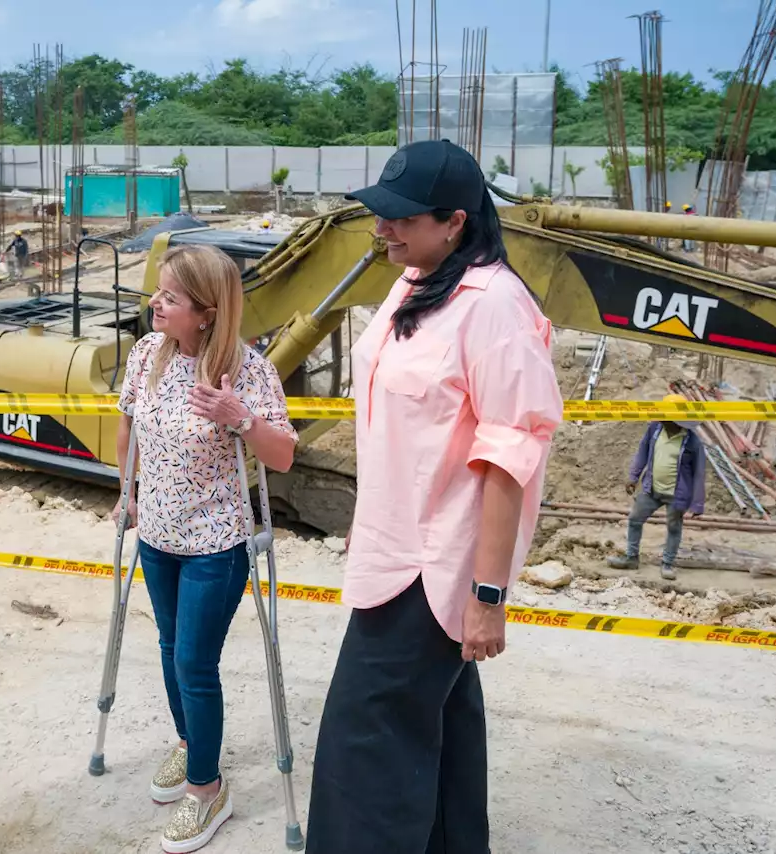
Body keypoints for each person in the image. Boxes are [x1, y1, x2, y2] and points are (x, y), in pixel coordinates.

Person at [305, 139, 564, 853]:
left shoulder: (496, 310)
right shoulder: (417, 282)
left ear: (454, 220)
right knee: (441, 729)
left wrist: (487, 595)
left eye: (400, 218)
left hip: (436, 568)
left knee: (366, 755)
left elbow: (511, 458)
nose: (383, 228)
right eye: (380, 215)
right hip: (394, 550)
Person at [115, 243, 298, 853]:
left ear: (208, 312)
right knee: (169, 649)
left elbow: (282, 455)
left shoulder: (247, 370)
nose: (155, 304)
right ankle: (192, 743)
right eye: (158, 292)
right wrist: (127, 492)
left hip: (216, 541)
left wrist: (240, 417)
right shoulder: (147, 355)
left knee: (195, 662)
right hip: (158, 536)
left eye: (170, 297)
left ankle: (207, 788)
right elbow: (127, 426)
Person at [606, 394, 705, 580]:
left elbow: (699, 472)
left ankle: (667, 564)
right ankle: (631, 558)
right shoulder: (654, 430)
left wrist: (697, 504)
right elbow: (642, 452)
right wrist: (633, 477)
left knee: (674, 527)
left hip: (677, 494)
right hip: (651, 488)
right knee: (635, 519)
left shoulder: (692, 441)